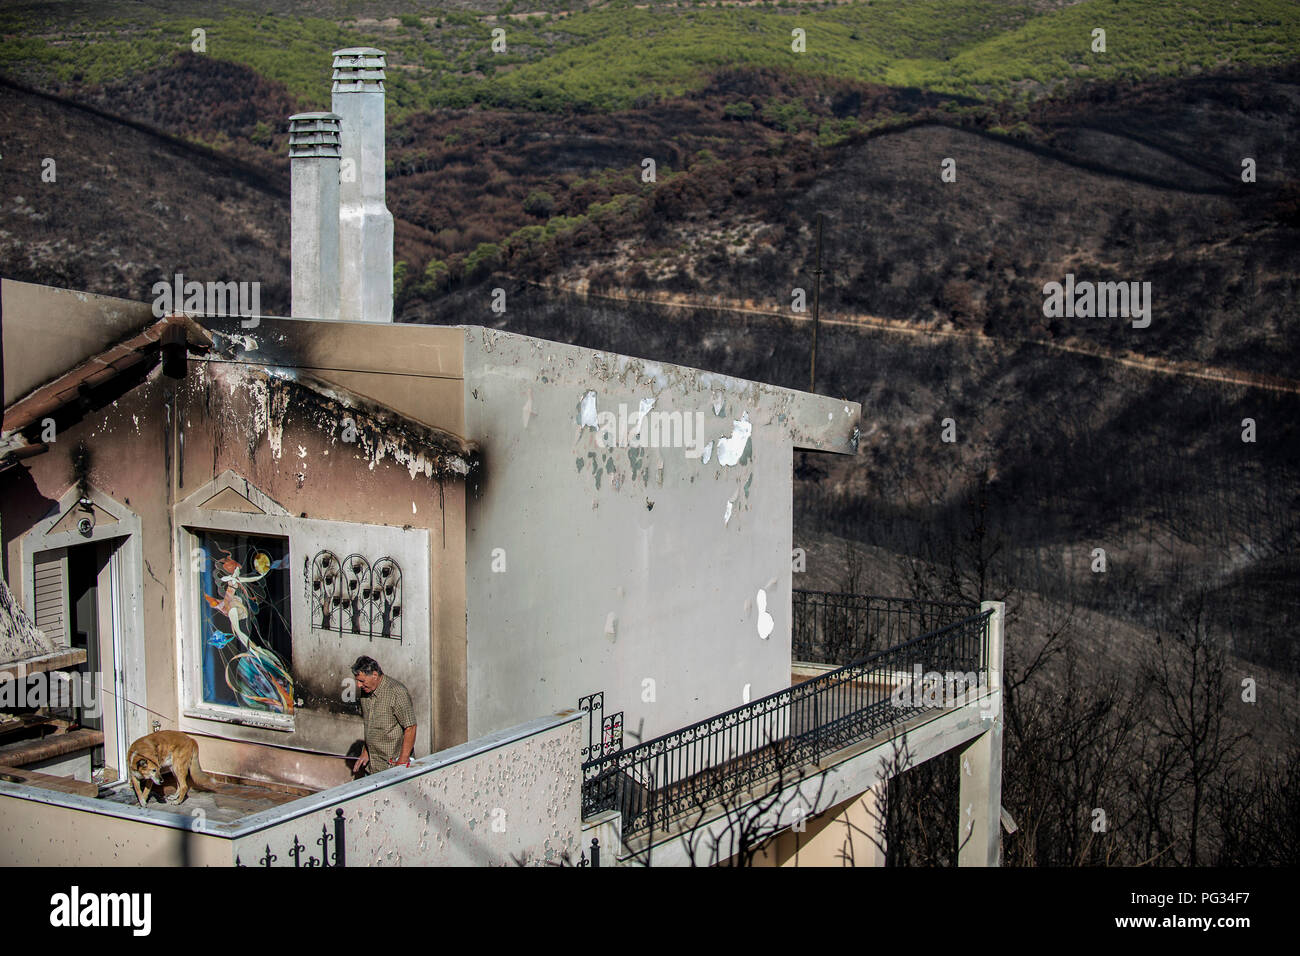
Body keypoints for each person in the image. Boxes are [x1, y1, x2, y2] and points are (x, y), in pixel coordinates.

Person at [350, 656, 416, 776]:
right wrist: (366, 751)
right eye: (357, 681)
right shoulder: (365, 692)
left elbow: (410, 727)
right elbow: (370, 725)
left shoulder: (397, 692)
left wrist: (402, 762)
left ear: (374, 675)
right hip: (373, 767)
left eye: (362, 681)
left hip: (393, 766)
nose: (358, 685)